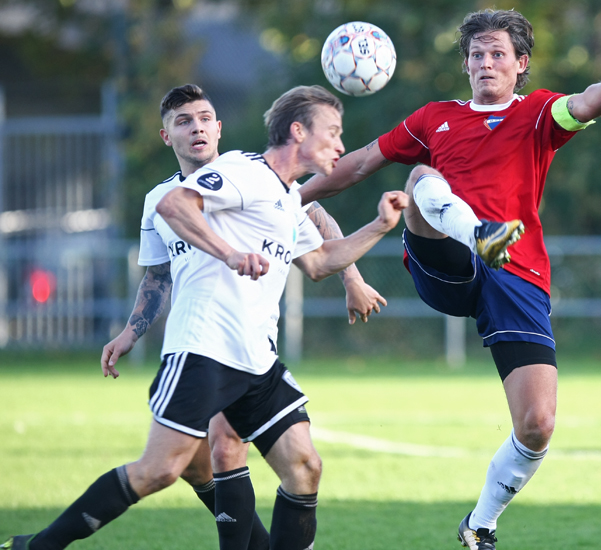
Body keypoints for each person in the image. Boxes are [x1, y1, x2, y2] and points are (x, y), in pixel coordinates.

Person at [2, 84, 408, 550]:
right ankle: (39, 546)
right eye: (332, 133)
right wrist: (230, 254)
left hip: (257, 358)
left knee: (304, 467)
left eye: (204, 117)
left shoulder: (285, 194)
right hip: (206, 348)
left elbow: (318, 261)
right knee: (159, 471)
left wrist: (378, 227)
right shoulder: (244, 172)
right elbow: (173, 208)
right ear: (298, 131)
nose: (340, 145)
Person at [299, 9, 601, 550]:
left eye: (498, 54)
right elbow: (361, 163)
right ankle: (478, 232)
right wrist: (289, 194)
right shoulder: (433, 118)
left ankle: (479, 526)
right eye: (477, 55)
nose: (487, 63)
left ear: (520, 64)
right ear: (465, 64)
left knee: (537, 424)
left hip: (517, 273)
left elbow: (584, 102)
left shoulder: (537, 113)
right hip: (449, 261)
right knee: (420, 177)